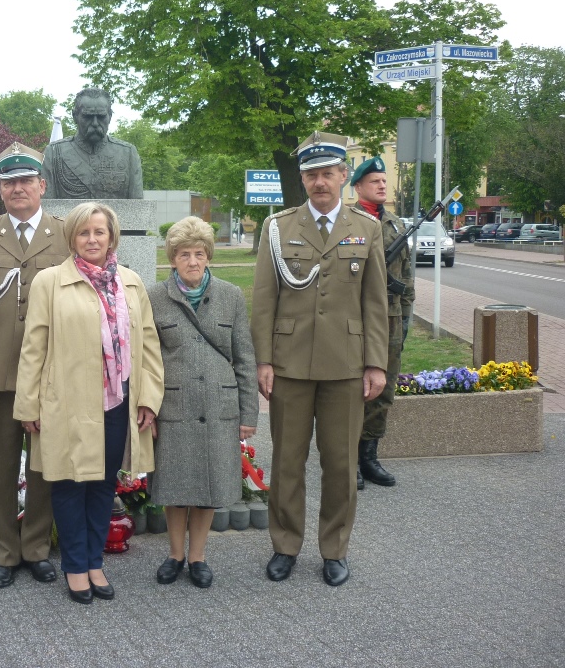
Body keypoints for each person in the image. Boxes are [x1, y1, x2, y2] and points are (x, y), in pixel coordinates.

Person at [251, 135, 388, 587]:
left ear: (343, 176)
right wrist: (263, 360)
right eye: (311, 174)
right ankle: (285, 545)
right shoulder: (277, 227)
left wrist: (376, 363)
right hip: (289, 365)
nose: (319, 182)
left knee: (341, 463)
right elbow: (265, 300)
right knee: (287, 461)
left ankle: (334, 549)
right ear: (303, 179)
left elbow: (375, 302)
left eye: (328, 173)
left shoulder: (365, 228)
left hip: (347, 364)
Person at [14, 202, 163, 604]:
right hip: (65, 403)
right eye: (84, 232)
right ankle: (75, 567)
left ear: (112, 236)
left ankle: (95, 561)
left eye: (99, 232)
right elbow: (33, 348)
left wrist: (149, 397)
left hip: (118, 403)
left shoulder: (131, 283)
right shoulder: (49, 281)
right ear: (72, 238)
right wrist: (28, 405)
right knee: (67, 485)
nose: (92, 239)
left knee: (101, 485)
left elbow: (148, 345)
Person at [0, 143, 71, 589]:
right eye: (9, 182)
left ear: (41, 185)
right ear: (1, 189)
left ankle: (36, 548)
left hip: (50, 371)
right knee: (4, 466)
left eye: (26, 180)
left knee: (44, 466)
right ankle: (6, 552)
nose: (18, 188)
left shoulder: (67, 234)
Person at [147, 217, 258, 589]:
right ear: (172, 259)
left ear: (208, 256)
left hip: (219, 407)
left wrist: (248, 414)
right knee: (175, 486)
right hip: (173, 407)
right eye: (184, 254)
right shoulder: (155, 297)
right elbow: (147, 360)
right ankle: (175, 554)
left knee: (209, 487)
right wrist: (148, 410)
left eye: (199, 254)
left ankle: (198, 557)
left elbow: (244, 358)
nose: (192, 261)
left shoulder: (231, 296)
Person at [351, 157, 414, 489]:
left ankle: (369, 456)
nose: (381, 185)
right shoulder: (347, 222)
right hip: (354, 318)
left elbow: (406, 278)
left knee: (383, 389)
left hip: (390, 317)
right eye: (374, 181)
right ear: (358, 186)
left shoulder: (397, 226)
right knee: (351, 389)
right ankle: (347, 460)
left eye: (384, 181)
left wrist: (405, 319)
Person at [42, 88, 144, 199]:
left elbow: (138, 208)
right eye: (88, 117)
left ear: (110, 116)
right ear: (75, 116)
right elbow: (47, 207)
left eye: (101, 117)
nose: (95, 123)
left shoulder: (128, 154)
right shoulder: (53, 153)